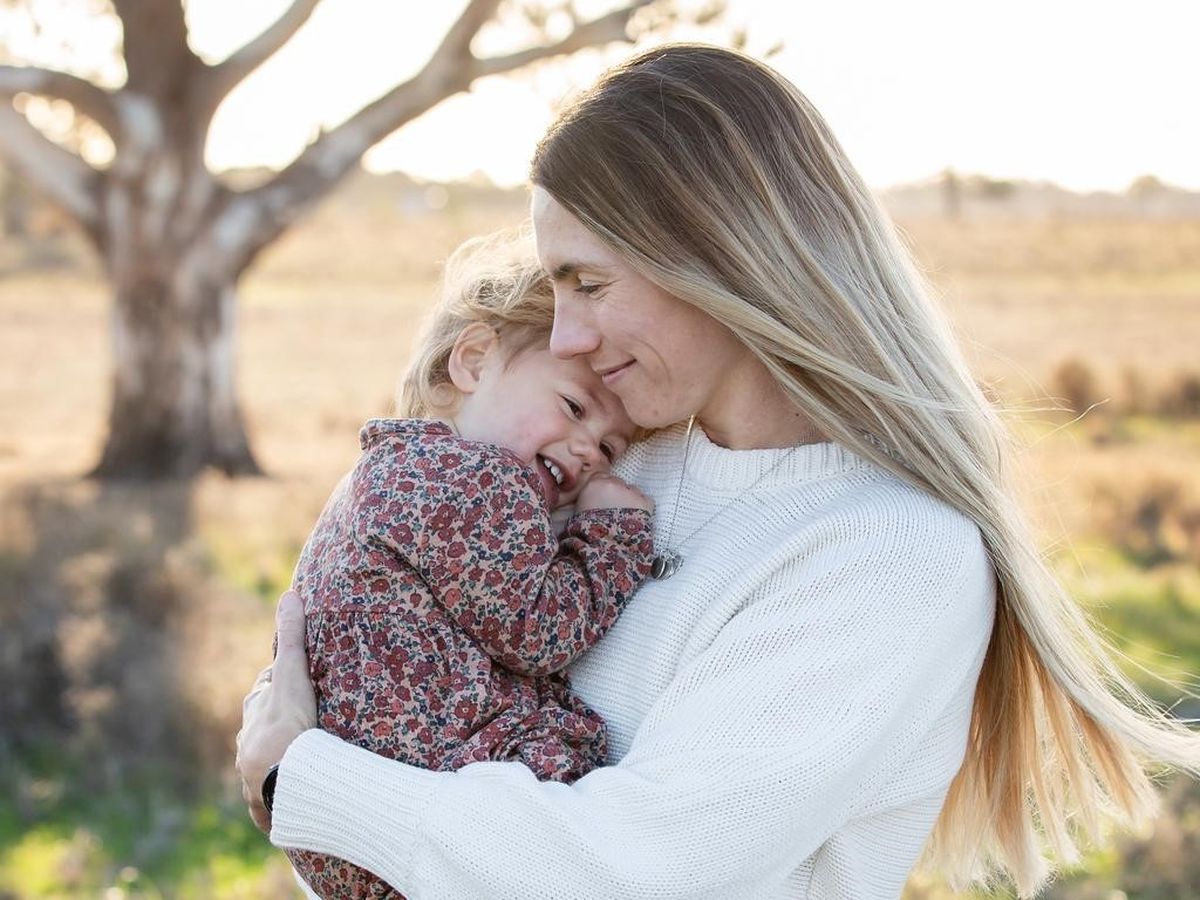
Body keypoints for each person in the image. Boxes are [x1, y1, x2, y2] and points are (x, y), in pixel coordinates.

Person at [237, 45, 1200, 899]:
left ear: (717, 258)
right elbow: (379, 649)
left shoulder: (889, 554)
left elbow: (643, 869)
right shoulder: (621, 464)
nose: (566, 334)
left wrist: (312, 784)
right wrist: (308, 744)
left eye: (589, 281)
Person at [281, 238, 655, 898]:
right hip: (429, 789)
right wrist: (611, 538)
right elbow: (540, 631)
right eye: (572, 407)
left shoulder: (390, 468)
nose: (588, 452)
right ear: (474, 360)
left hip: (345, 823)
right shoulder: (482, 485)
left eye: (609, 446)